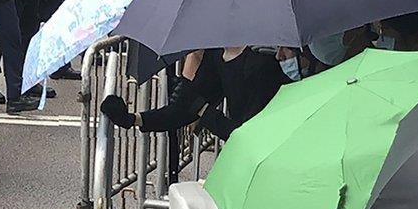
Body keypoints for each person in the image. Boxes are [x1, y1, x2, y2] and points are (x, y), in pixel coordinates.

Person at [100, 45, 287, 142]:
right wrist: (132, 119)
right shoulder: (218, 55)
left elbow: (246, 135)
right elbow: (182, 110)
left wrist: (204, 111)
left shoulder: (263, 64)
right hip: (245, 151)